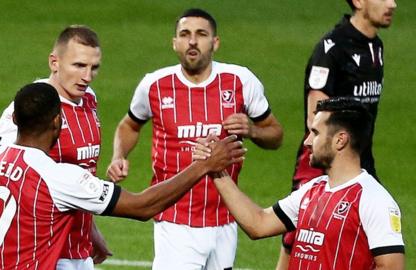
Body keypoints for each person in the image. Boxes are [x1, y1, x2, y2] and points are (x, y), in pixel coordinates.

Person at [0, 83, 244, 270]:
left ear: (14, 119)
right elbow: (143, 206)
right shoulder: (59, 177)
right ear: (58, 121)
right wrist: (203, 166)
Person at [106, 8, 283, 270]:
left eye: (201, 34)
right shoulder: (154, 85)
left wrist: (253, 131)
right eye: (185, 34)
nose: (192, 41)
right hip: (175, 220)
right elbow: (129, 125)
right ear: (175, 42)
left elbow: (275, 134)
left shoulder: (240, 81)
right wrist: (119, 156)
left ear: (215, 42)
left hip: (225, 218)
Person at [195, 97, 405, 269]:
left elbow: (391, 266)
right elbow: (258, 224)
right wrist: (216, 170)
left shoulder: (373, 199)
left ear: (340, 140)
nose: (306, 142)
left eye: (315, 133)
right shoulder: (312, 190)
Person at [0, 25, 111, 268]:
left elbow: (78, 178)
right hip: (46, 252)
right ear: (55, 62)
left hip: (79, 248)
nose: (87, 76)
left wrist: (91, 233)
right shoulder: (34, 108)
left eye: (94, 67)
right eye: (78, 66)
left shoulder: (88, 99)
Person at [282, 0, 397, 267]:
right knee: (299, 234)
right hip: (325, 157)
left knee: (368, 237)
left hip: (358, 157)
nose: (392, 4)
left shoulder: (375, 46)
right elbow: (315, 115)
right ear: (358, 1)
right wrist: (329, 161)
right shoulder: (332, 48)